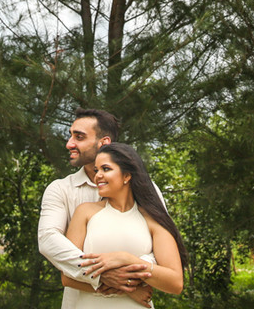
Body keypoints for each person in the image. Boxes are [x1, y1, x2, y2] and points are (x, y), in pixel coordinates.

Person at [38, 109, 161, 308]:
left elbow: (162, 247)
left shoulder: (147, 189)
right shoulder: (60, 189)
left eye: (79, 137)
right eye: (70, 136)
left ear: (103, 143)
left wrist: (128, 273)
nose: (69, 144)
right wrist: (103, 275)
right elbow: (48, 240)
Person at [62, 143, 187, 307]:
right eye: (96, 170)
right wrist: (128, 289)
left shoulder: (152, 219)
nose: (98, 176)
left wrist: (127, 259)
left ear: (127, 175)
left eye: (106, 169)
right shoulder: (84, 213)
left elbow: (175, 283)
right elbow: (67, 276)